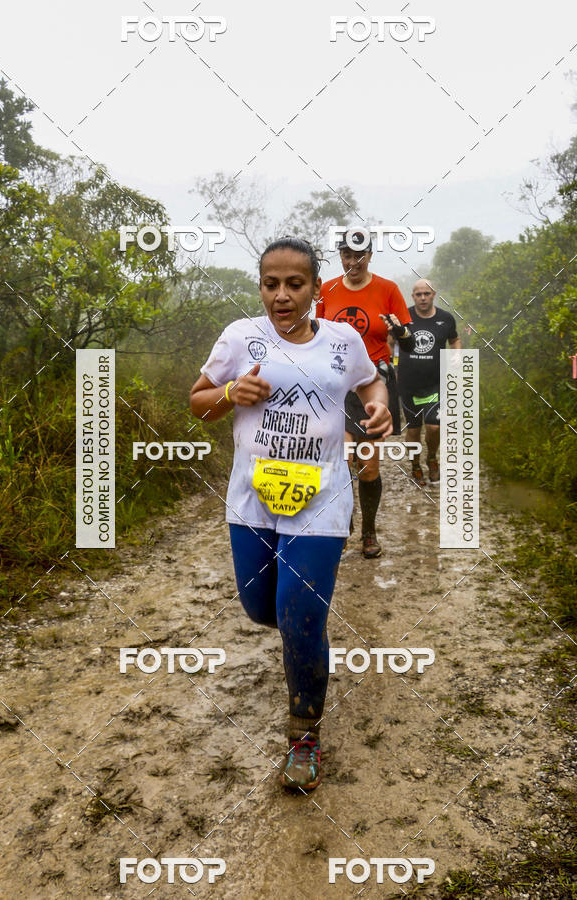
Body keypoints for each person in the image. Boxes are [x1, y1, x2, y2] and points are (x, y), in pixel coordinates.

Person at [190, 237, 392, 791]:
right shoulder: (240, 337)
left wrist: (378, 405)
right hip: (252, 499)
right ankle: (306, 640)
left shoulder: (342, 340)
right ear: (260, 287)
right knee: (263, 608)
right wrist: (231, 392)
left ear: (315, 288)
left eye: (294, 284)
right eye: (271, 284)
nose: (282, 295)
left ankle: (304, 736)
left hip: (321, 499)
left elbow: (370, 380)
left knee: (300, 615)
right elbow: (199, 402)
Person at [316, 228, 415, 558]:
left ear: (370, 255)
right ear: (341, 256)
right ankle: (343, 525)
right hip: (336, 385)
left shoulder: (388, 289)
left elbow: (408, 341)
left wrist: (400, 332)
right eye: (347, 255)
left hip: (374, 383)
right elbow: (315, 335)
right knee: (341, 461)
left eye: (359, 255)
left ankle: (369, 532)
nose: (353, 262)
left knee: (369, 466)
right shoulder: (327, 290)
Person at [397, 278, 462, 486]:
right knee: (414, 430)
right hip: (408, 385)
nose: (423, 298)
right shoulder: (404, 318)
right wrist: (389, 365)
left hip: (436, 383)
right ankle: (415, 464)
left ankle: (432, 458)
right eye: (419, 294)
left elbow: (454, 340)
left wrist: (457, 355)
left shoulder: (446, 318)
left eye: (427, 293)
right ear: (413, 296)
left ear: (434, 294)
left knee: (434, 427)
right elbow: (389, 342)